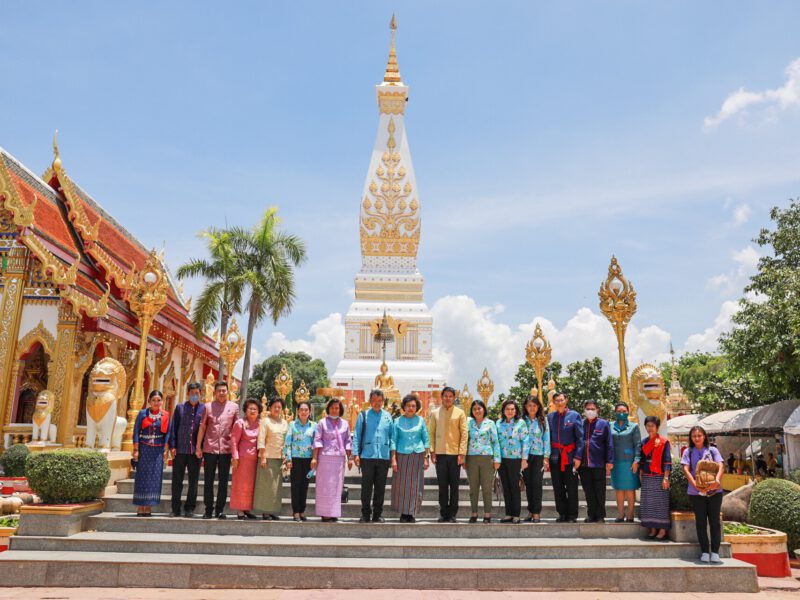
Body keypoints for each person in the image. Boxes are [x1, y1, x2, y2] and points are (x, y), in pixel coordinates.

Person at [681, 425, 725, 564]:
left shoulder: (712, 450)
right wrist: (695, 485)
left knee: (714, 522)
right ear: (691, 438)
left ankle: (715, 552)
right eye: (694, 436)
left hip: (715, 491)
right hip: (696, 492)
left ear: (704, 436)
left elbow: (721, 465)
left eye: (699, 435)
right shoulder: (688, 451)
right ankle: (705, 551)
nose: (697, 438)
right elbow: (686, 469)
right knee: (701, 522)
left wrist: (717, 480)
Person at [196, 381, 239, 519]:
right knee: (208, 480)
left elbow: (237, 430)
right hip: (209, 448)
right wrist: (198, 446)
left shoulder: (234, 407)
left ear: (228, 392)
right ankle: (208, 509)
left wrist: (235, 452)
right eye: (219, 390)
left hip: (226, 450)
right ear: (215, 393)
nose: (221, 393)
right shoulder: (208, 407)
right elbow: (202, 427)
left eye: (224, 390)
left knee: (223, 481)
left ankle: (219, 510)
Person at [353, 389, 394, 523]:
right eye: (374, 401)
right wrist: (355, 454)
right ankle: (365, 514)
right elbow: (357, 435)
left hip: (383, 456)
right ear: (370, 401)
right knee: (366, 487)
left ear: (383, 401)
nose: (377, 403)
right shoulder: (363, 415)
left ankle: (377, 514)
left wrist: (392, 456)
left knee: (380, 488)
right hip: (367, 456)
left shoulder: (388, 416)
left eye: (379, 401)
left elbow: (392, 437)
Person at [428, 385, 468, 523]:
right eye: (445, 396)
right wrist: (432, 452)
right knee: (442, 485)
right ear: (442, 397)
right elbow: (431, 433)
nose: (448, 398)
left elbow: (464, 434)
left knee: (454, 485)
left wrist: (462, 453)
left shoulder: (460, 413)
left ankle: (452, 514)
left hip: (455, 454)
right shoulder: (434, 413)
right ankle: (443, 513)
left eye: (451, 396)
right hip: (440, 453)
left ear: (454, 398)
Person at [390, 394, 430, 523]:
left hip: (417, 456)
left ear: (417, 407)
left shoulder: (421, 421)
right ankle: (403, 513)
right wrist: (394, 459)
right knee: (401, 485)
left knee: (415, 486)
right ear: (404, 407)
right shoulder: (397, 421)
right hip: (402, 456)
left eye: (413, 406)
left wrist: (426, 457)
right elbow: (393, 441)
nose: (411, 408)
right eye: (408, 406)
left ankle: (412, 513)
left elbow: (426, 440)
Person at [168, 382, 206, 518]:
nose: (194, 396)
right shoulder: (180, 408)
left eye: (197, 393)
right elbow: (173, 427)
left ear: (201, 394)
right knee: (177, 480)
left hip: (195, 452)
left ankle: (189, 508)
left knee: (193, 481)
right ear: (187, 393)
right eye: (192, 393)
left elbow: (205, 430)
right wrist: (172, 446)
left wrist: (202, 448)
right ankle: (175, 508)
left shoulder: (204, 409)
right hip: (180, 450)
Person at [312, 398, 353, 522]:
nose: (334, 410)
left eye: (337, 408)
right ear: (328, 409)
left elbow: (348, 441)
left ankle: (333, 512)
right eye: (332, 408)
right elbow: (317, 440)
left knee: (336, 486)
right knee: (325, 486)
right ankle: (325, 513)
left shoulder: (345, 423)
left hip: (339, 459)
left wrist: (350, 458)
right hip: (325, 457)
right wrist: (314, 458)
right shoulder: (322, 422)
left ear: (340, 409)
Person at [547, 392, 584, 523]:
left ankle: (572, 515)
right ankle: (562, 513)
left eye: (561, 400)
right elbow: (547, 438)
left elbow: (580, 438)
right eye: (557, 400)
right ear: (553, 402)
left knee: (572, 487)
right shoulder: (550, 417)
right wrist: (547, 457)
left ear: (566, 400)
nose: (559, 402)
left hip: (570, 456)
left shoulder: (574, 416)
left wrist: (578, 456)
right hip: (555, 457)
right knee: (558, 487)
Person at [132, 390, 170, 516]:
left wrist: (166, 450)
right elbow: (136, 431)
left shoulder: (165, 415)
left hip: (158, 451)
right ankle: (140, 505)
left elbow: (168, 434)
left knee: (154, 478)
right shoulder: (143, 414)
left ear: (162, 402)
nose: (156, 402)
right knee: (142, 477)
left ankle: (149, 506)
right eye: (153, 400)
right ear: (149, 401)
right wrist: (136, 449)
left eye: (159, 400)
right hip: (144, 449)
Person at [253, 397, 289, 520]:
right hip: (267, 458)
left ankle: (273, 510)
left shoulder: (284, 422)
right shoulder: (265, 421)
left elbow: (286, 441)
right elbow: (261, 440)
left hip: (279, 458)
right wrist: (263, 457)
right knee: (266, 486)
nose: (277, 409)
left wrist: (286, 457)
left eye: (279, 407)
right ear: (270, 407)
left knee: (276, 486)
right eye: (275, 406)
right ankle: (265, 511)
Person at [465, 399, 500, 523]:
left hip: (487, 458)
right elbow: (465, 441)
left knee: (486, 488)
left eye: (479, 408)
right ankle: (474, 513)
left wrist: (497, 459)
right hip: (471, 458)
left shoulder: (490, 423)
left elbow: (495, 442)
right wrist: (464, 459)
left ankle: (487, 514)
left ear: (484, 409)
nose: (477, 411)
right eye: (474, 409)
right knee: (473, 488)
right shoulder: (469, 423)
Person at [579, 400, 614, 523]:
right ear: (584, 410)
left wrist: (609, 460)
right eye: (587, 409)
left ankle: (600, 515)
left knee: (600, 490)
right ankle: (591, 514)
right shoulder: (581, 424)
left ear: (597, 410)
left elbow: (609, 443)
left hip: (598, 463)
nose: (590, 411)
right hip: (583, 464)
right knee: (588, 491)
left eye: (592, 409)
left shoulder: (603, 424)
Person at [496, 399, 529, 524]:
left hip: (515, 459)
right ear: (503, 411)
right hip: (502, 459)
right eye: (507, 409)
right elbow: (496, 442)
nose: (510, 411)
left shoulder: (520, 423)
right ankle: (508, 513)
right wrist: (496, 459)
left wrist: (524, 459)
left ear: (516, 410)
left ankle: (516, 514)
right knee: (506, 486)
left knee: (514, 487)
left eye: (512, 409)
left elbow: (525, 441)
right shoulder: (498, 423)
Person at [639, 415, 671, 540]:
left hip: (660, 476)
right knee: (648, 503)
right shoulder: (644, 442)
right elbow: (642, 460)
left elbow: (667, 461)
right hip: (647, 476)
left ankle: (662, 530)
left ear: (657, 427)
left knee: (661, 503)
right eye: (648, 426)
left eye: (652, 426)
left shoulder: (664, 442)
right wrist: (641, 473)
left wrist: (666, 478)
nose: (650, 428)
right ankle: (652, 529)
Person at [284, 400, 316, 522]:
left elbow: (316, 443)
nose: (303, 412)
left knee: (305, 486)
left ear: (310, 411)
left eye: (306, 410)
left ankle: (302, 511)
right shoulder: (292, 425)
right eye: (301, 409)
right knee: (295, 486)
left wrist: (315, 458)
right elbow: (288, 443)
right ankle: (295, 512)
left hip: (308, 460)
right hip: (295, 459)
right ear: (297, 411)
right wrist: (288, 459)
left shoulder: (314, 425)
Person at [230, 397, 261, 519]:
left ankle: (247, 508)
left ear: (259, 411)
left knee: (251, 485)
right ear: (245, 410)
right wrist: (235, 457)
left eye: (255, 409)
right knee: (240, 484)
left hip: (255, 460)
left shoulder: (260, 424)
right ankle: (240, 509)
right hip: (242, 459)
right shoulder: (240, 423)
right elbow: (233, 441)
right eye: (250, 408)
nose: (252, 411)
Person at [610, 402, 641, 523]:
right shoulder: (610, 426)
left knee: (630, 489)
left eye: (624, 411)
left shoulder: (634, 426)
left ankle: (630, 515)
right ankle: (620, 514)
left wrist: (637, 460)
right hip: (616, 462)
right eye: (619, 411)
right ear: (615, 412)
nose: (621, 413)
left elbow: (638, 444)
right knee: (619, 489)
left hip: (629, 462)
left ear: (628, 412)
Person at [522, 395, 550, 523]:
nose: (532, 408)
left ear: (538, 407)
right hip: (524, 457)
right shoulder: (522, 421)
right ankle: (530, 511)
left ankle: (537, 512)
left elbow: (546, 438)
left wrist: (546, 457)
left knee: (537, 484)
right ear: (525, 407)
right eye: (529, 405)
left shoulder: (542, 420)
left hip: (538, 456)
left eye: (534, 405)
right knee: (528, 484)